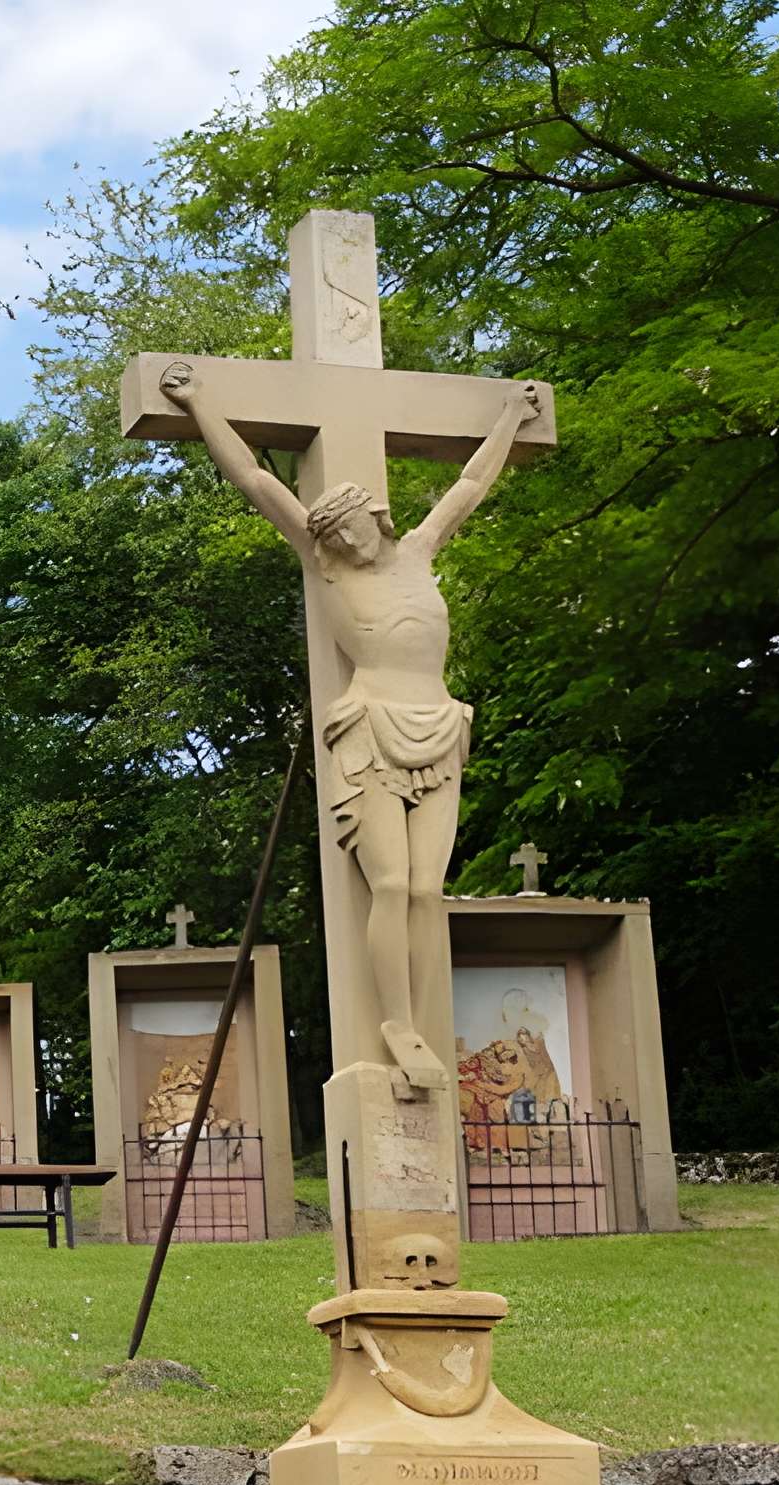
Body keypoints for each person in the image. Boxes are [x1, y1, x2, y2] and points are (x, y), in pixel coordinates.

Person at [161, 360, 545, 1092]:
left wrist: (509, 417)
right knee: (390, 883)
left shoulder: (420, 551)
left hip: (440, 725)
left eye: (353, 527)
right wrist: (199, 402)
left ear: (377, 518)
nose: (348, 541)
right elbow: (254, 479)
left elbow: (470, 485)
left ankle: (423, 1023)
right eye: (333, 534)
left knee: (428, 891)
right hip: (370, 730)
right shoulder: (328, 570)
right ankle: (395, 1021)